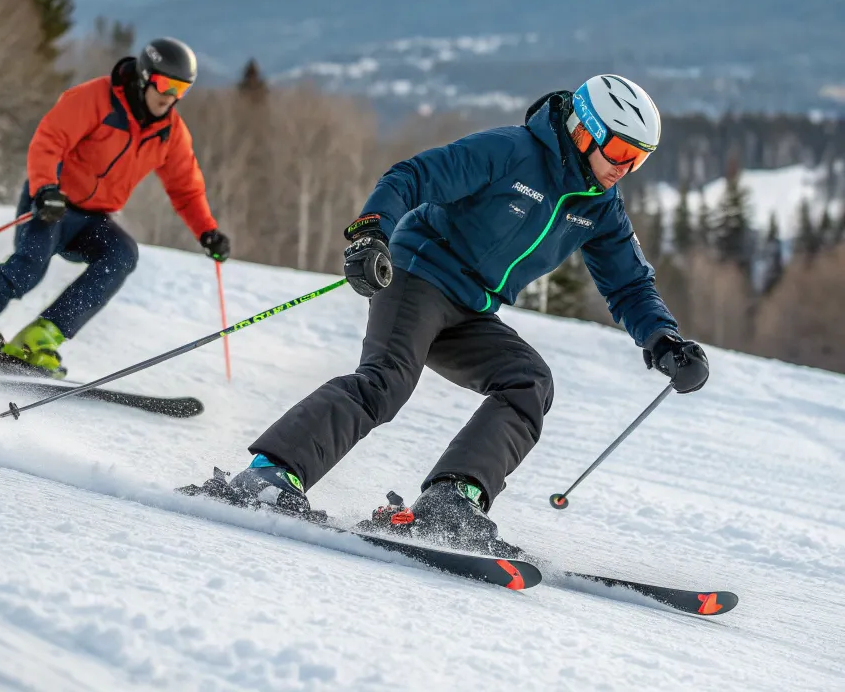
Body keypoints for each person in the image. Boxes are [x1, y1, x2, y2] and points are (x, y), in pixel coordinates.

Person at [206, 74, 708, 551]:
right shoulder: (513, 151)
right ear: (584, 129)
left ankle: (451, 501)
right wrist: (371, 233)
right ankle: (269, 474)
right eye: (620, 150)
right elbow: (413, 176)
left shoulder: (601, 206)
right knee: (386, 382)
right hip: (417, 274)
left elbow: (629, 283)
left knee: (527, 381)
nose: (625, 166)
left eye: (638, 159)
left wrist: (663, 340)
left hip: (473, 308)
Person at [0, 38, 230, 373]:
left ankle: (36, 340)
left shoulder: (171, 133)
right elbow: (48, 140)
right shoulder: (96, 99)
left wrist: (207, 232)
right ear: (144, 76)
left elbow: (185, 189)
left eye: (181, 90)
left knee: (122, 254)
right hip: (52, 203)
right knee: (29, 268)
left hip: (92, 218)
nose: (171, 97)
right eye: (166, 85)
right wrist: (46, 188)